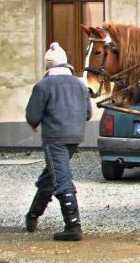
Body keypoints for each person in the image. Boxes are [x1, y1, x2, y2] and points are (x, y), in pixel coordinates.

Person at [24, 42, 93, 240]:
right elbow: (88, 114)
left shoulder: (44, 85)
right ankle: (33, 215)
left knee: (61, 178)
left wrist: (35, 123)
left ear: (48, 65)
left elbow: (33, 115)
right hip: (76, 136)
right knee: (52, 174)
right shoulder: (80, 84)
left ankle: (73, 227)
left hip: (55, 137)